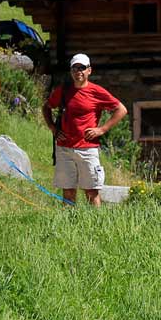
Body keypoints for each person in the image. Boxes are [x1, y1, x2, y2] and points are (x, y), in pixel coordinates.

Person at [42, 53, 126, 206]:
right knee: (68, 191)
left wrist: (102, 129)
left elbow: (121, 109)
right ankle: (69, 220)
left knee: (91, 191)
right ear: (71, 71)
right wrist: (52, 128)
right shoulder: (63, 91)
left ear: (89, 70)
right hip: (64, 148)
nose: (78, 71)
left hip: (87, 148)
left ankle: (96, 220)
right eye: (75, 68)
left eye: (82, 68)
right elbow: (47, 107)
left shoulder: (96, 91)